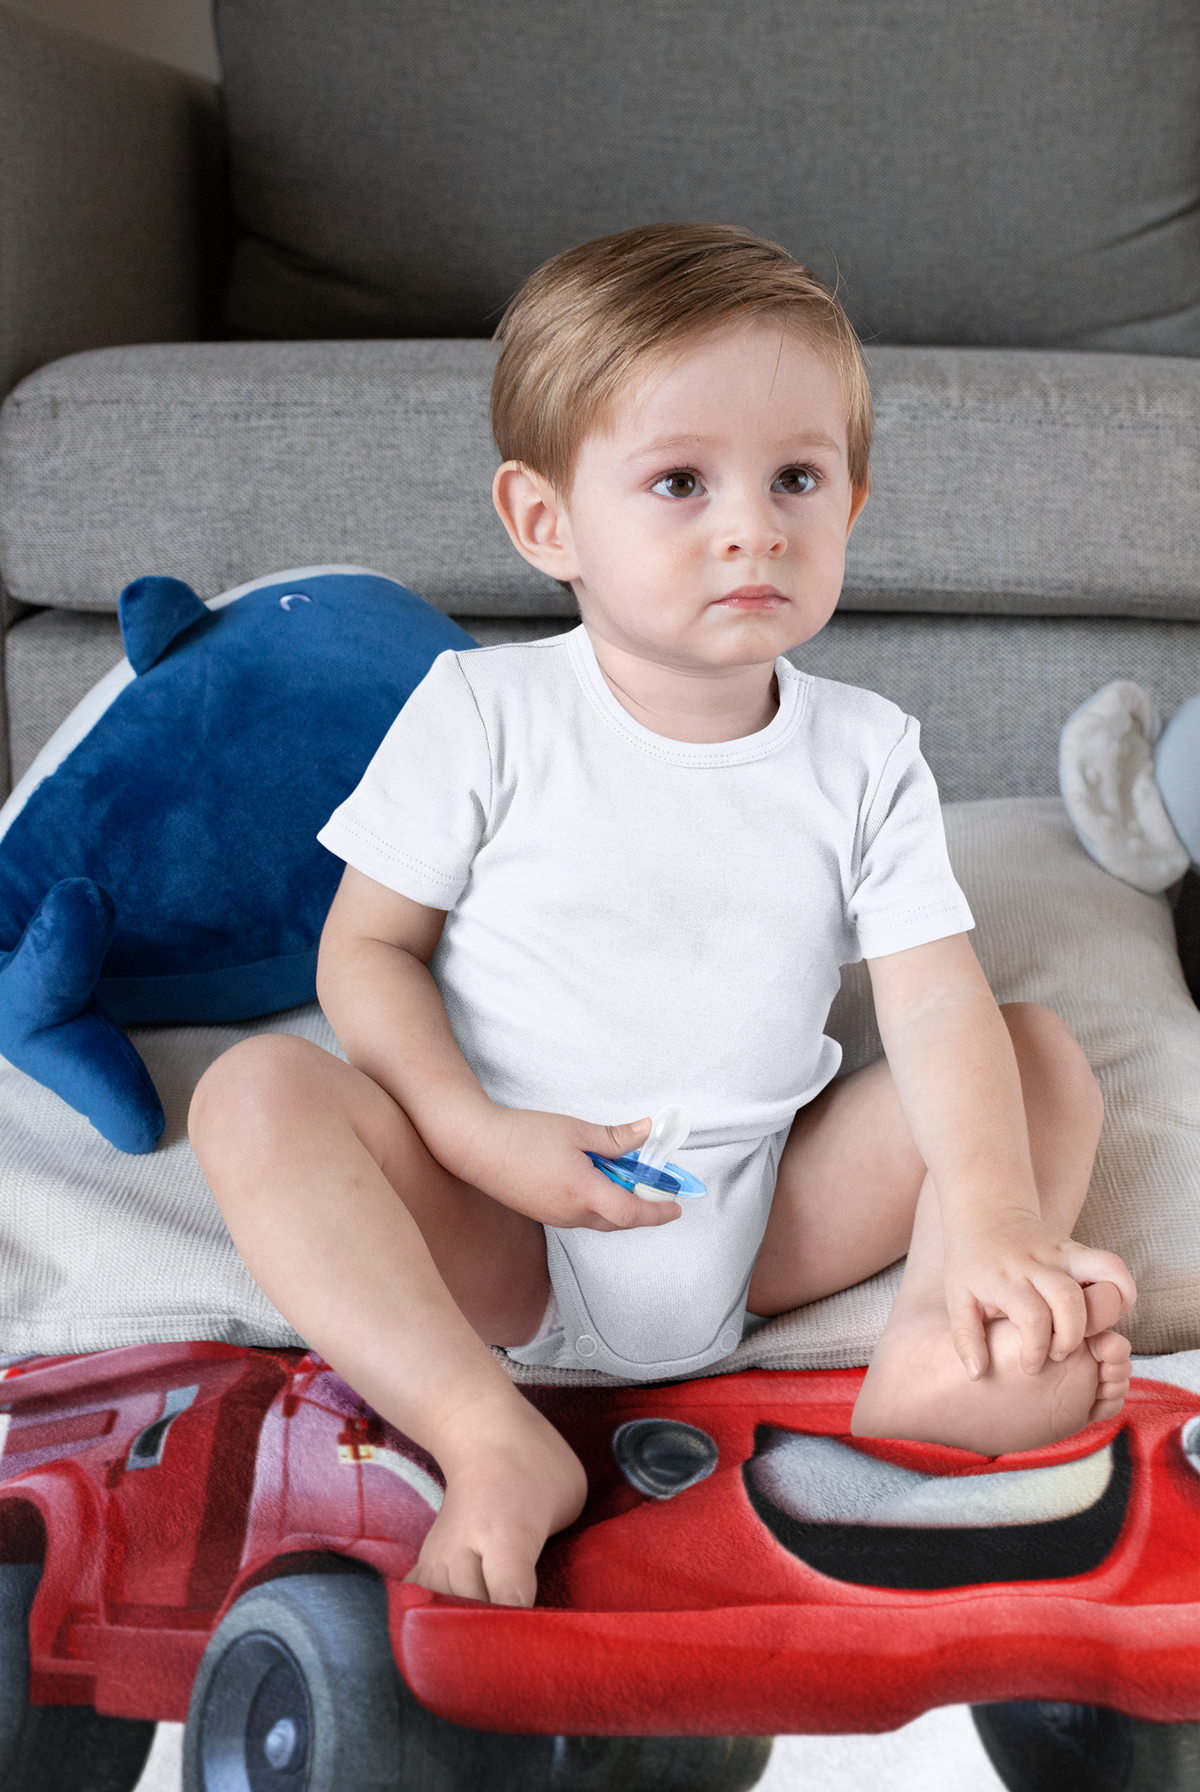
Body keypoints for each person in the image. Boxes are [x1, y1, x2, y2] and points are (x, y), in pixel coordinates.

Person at [189, 222, 1135, 1610]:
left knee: (1031, 1051)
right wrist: (479, 1138)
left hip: (761, 1219)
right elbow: (368, 952)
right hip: (505, 1224)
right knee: (256, 1093)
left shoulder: (866, 751)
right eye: (682, 482)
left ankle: (938, 1353)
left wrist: (991, 1215)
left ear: (854, 505)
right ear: (544, 521)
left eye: (797, 478)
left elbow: (930, 1000)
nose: (753, 524)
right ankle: (485, 1434)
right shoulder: (485, 715)